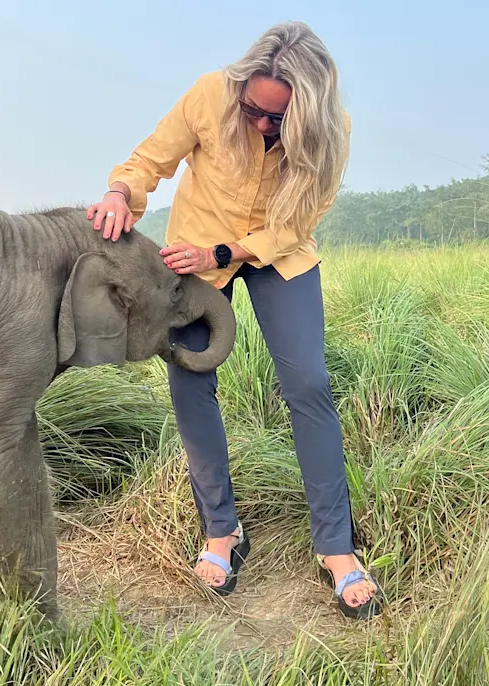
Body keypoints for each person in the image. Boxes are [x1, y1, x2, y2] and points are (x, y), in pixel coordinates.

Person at [86, 21, 383, 619]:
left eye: (279, 120)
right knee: (191, 379)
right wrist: (120, 193)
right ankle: (222, 530)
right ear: (244, 87)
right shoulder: (210, 94)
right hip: (194, 253)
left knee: (309, 386)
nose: (262, 127)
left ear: (309, 112)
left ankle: (335, 546)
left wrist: (225, 253)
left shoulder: (333, 132)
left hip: (276, 254)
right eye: (254, 111)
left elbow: (295, 226)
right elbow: (149, 160)